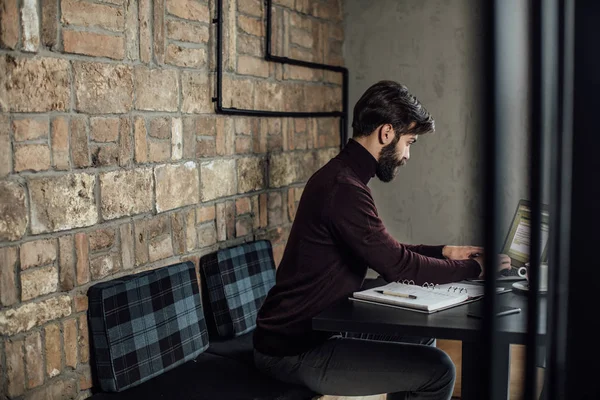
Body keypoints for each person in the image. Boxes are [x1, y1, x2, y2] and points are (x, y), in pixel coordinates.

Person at [252, 80, 511, 399]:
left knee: (419, 337)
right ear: (386, 133)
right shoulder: (343, 188)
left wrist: (445, 252)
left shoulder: (344, 178)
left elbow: (387, 251)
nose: (408, 154)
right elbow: (399, 266)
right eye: (410, 141)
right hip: (294, 348)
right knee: (439, 371)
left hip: (316, 329)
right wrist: (475, 270)